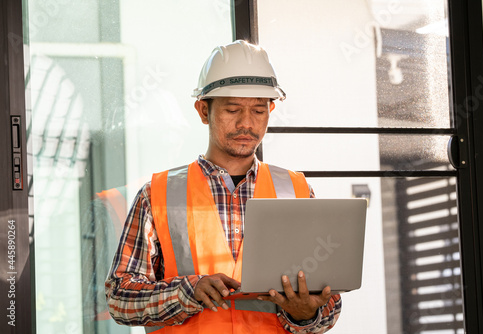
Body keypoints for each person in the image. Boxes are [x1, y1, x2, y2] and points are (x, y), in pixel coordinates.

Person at [105, 40, 342, 333]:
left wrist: (306, 315)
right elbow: (119, 299)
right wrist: (186, 292)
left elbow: (330, 304)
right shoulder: (157, 194)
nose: (247, 123)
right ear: (203, 111)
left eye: (259, 111)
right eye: (232, 110)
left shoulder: (296, 190)